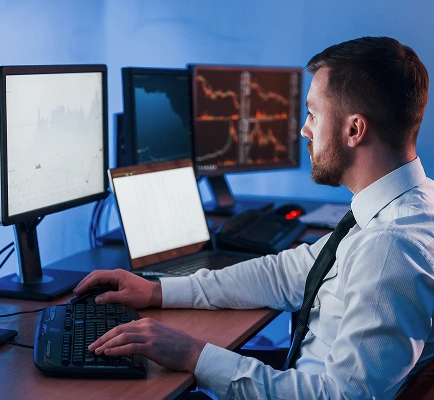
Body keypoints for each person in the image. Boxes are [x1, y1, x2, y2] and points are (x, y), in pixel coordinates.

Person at [74, 36, 434, 399]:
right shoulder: (403, 206)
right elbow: (287, 273)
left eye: (312, 114)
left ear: (354, 130)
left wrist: (191, 354)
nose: (303, 130)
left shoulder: (389, 247)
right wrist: (157, 291)